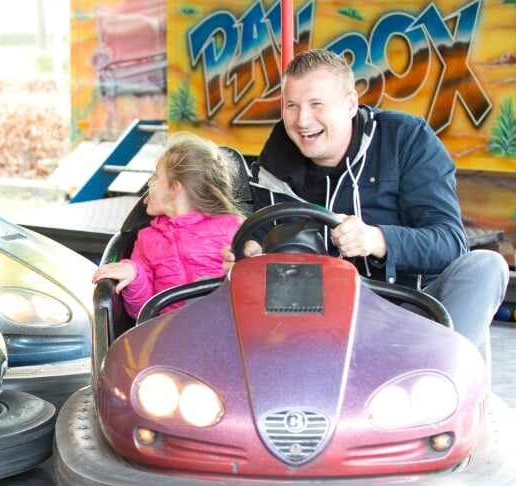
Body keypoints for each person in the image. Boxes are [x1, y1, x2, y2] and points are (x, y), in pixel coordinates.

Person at [224, 48, 507, 347]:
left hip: (414, 313)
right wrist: (249, 258)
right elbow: (260, 245)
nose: (302, 120)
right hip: (319, 328)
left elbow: (449, 243)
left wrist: (376, 240)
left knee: (487, 265)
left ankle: (446, 378)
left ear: (350, 105)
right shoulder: (273, 166)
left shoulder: (405, 140)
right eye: (291, 105)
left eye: (316, 104)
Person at [93, 131, 245, 318]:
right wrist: (135, 275)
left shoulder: (232, 228)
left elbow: (257, 289)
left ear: (174, 189)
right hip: (170, 332)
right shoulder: (146, 239)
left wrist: (248, 263)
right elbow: (140, 313)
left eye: (155, 177)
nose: (150, 183)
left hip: (227, 327)